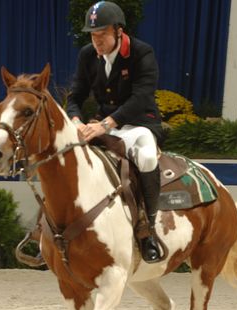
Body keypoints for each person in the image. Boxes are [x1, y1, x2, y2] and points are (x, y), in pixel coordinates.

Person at [66, 1, 163, 263]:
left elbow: (141, 97)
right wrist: (76, 121)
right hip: (102, 125)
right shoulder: (87, 55)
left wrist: (105, 124)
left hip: (139, 124)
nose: (96, 42)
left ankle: (148, 230)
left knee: (147, 158)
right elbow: (76, 94)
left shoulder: (142, 52)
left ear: (118, 31)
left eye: (102, 35)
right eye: (93, 36)